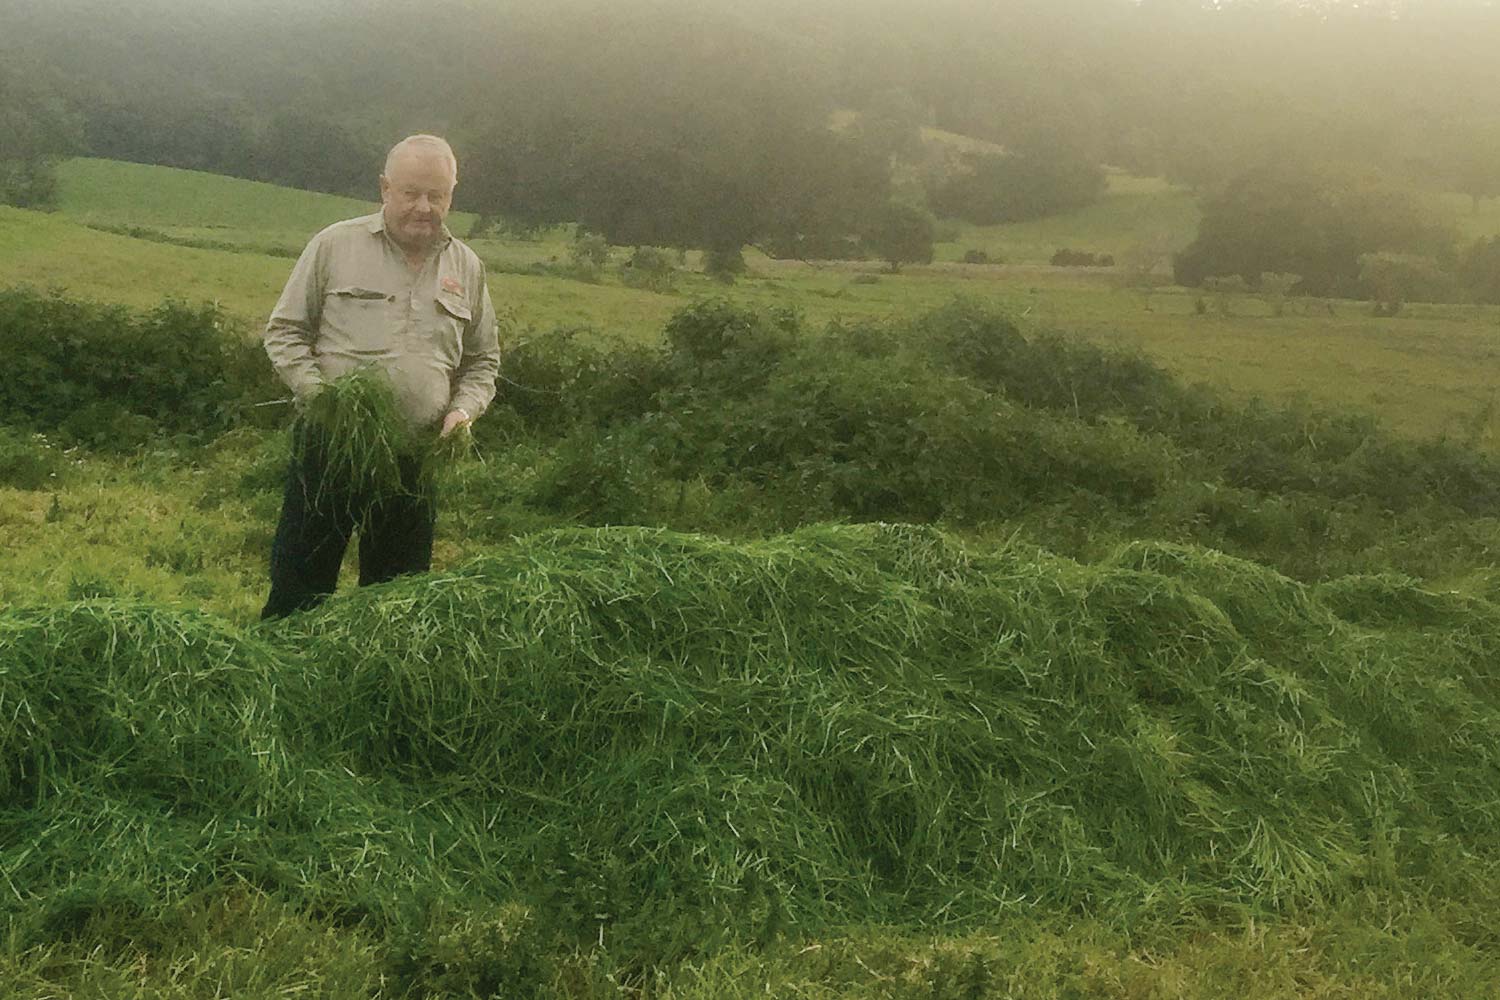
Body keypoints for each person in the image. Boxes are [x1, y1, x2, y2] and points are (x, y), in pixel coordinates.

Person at [259, 134, 500, 620]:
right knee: (300, 584)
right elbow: (284, 332)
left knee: (397, 597)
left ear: (452, 195)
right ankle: (284, 675)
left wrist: (462, 412)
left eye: (437, 195)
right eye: (411, 192)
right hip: (331, 443)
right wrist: (321, 396)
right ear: (385, 188)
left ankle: (374, 686)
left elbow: (483, 361)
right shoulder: (335, 245)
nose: (424, 207)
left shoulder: (466, 266)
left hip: (416, 455)